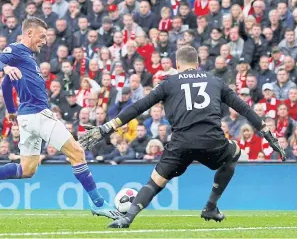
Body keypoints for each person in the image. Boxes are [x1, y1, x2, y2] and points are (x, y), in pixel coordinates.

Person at [79, 46, 286, 228]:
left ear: (177, 64)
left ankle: (128, 218)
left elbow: (139, 106)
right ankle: (210, 206)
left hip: (181, 144)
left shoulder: (168, 83)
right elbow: (243, 107)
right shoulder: (215, 80)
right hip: (212, 141)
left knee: (154, 182)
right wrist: (266, 131)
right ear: (198, 63)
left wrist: (108, 127)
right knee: (234, 152)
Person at [0, 17, 121, 220]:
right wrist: (5, 67)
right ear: (29, 33)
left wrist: (10, 110)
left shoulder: (27, 58)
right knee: (77, 152)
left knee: (27, 169)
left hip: (27, 118)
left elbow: (6, 86)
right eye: (42, 36)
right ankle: (98, 203)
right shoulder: (17, 49)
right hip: (38, 115)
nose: (45, 40)